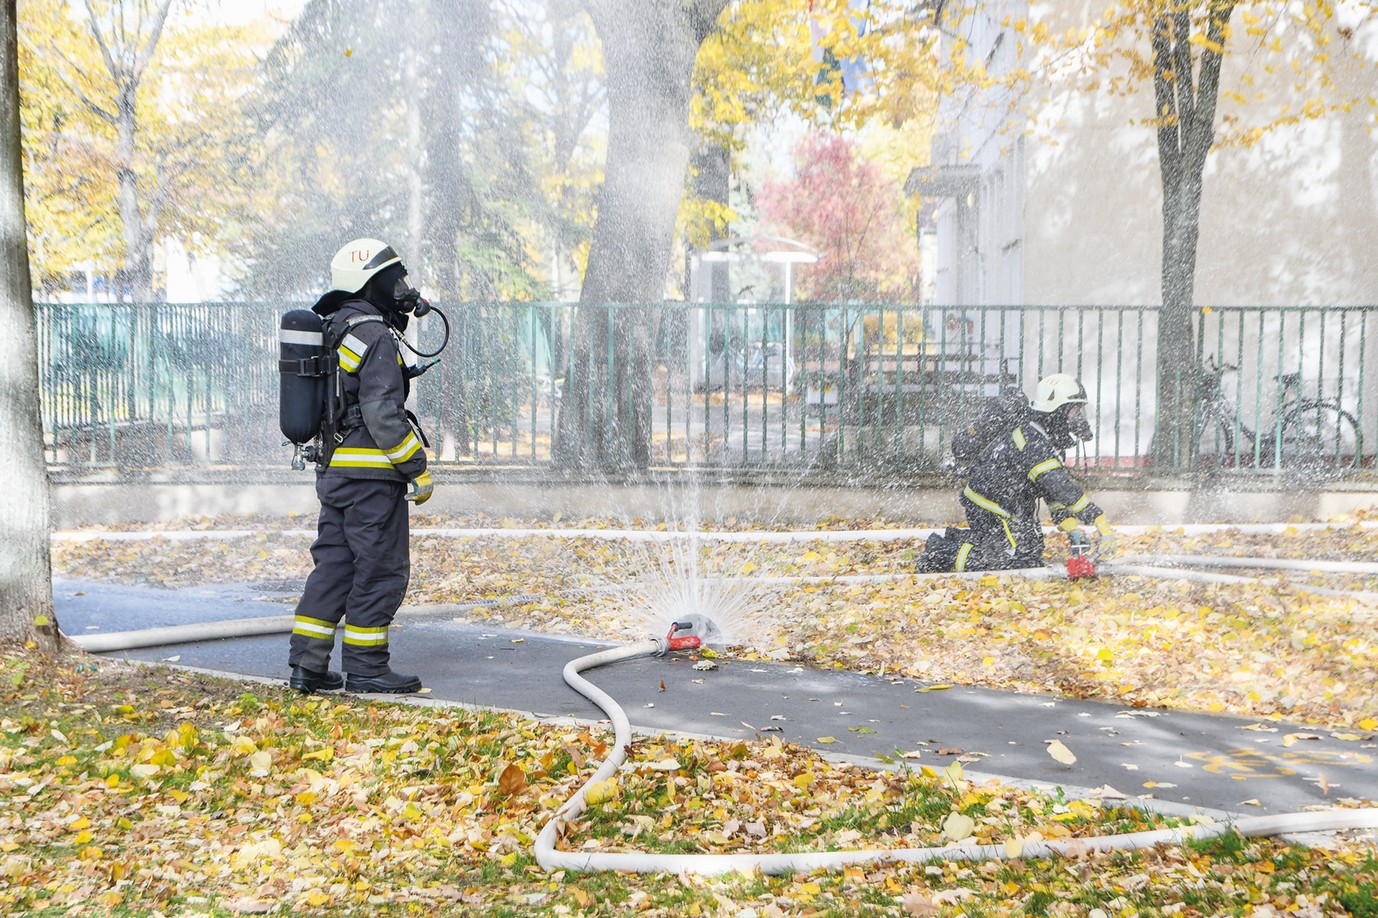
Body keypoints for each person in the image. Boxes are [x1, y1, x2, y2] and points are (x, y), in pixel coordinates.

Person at [288, 238, 434, 694]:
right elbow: (381, 412)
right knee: (380, 569)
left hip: (335, 476)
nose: (403, 289)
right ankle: (368, 667)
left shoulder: (334, 327)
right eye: (395, 280)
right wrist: (416, 466)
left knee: (334, 567)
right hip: (373, 478)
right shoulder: (374, 334)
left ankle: (306, 667)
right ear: (373, 282)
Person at [918, 373, 1118, 573]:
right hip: (990, 506)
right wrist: (1100, 521)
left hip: (1007, 506)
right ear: (1058, 410)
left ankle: (964, 543)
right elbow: (1061, 487)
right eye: (1075, 410)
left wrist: (1072, 529)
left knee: (1031, 552)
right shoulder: (1033, 441)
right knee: (1015, 561)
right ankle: (940, 554)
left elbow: (1053, 495)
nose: (1079, 417)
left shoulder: (1044, 438)